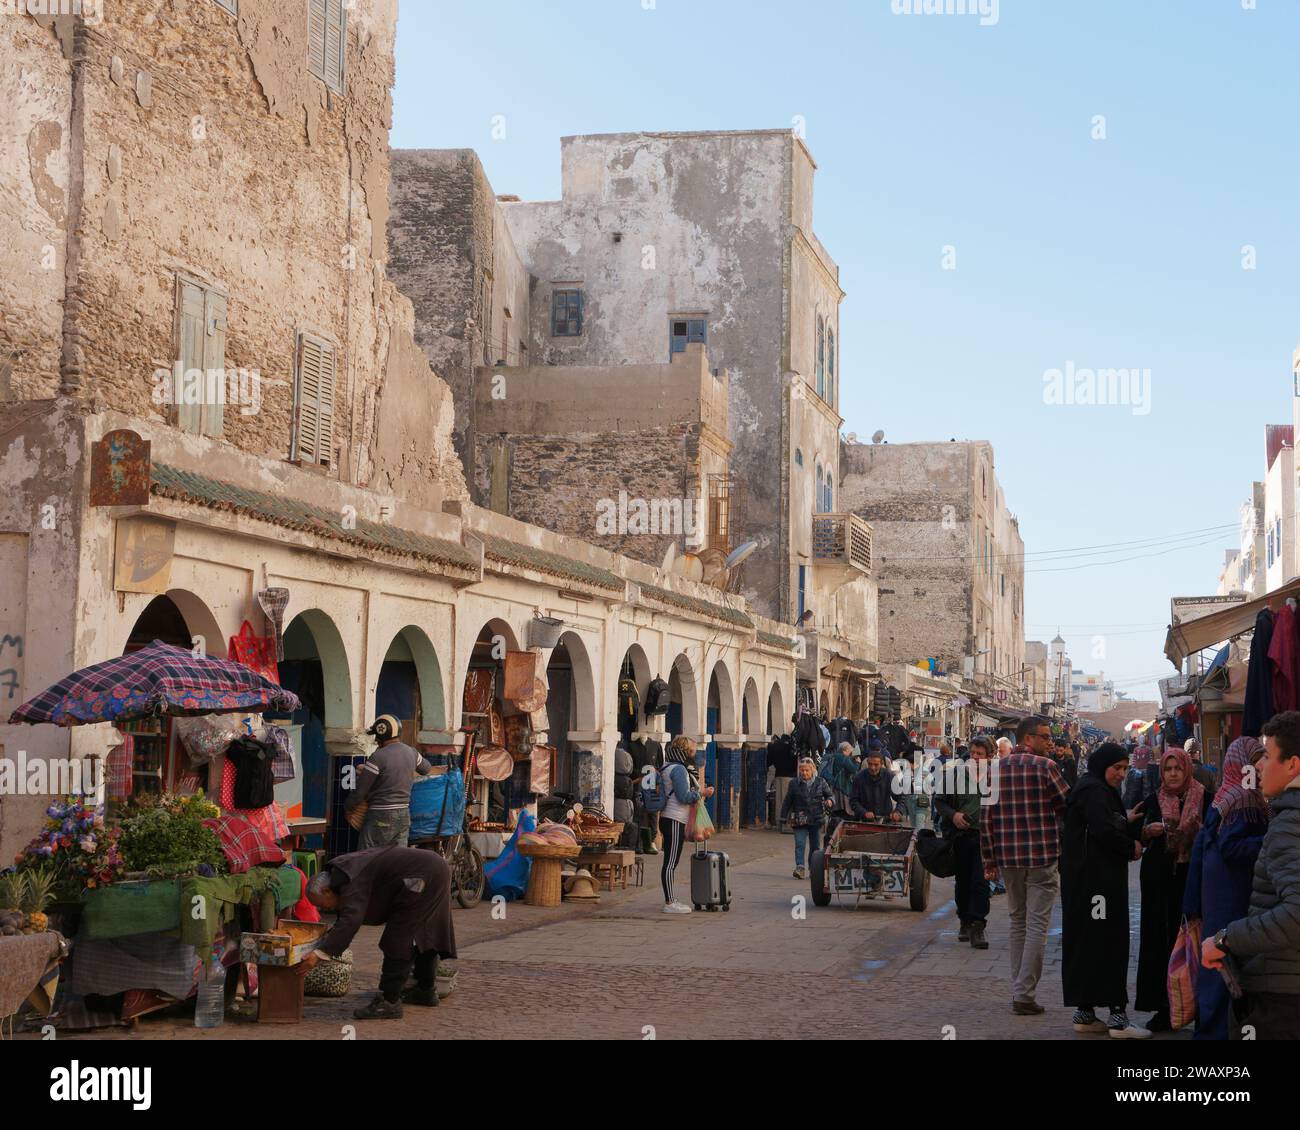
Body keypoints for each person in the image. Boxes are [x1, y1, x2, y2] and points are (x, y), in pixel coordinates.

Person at [1202, 711, 1300, 1040]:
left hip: (1282, 997)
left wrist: (1226, 939)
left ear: (1292, 766)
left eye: (1268, 756)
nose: (1259, 766)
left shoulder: (1289, 823)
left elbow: (1296, 913)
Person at [300, 844, 457, 1019]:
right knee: (425, 932)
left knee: (398, 938)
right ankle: (425, 990)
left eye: (321, 904)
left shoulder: (349, 879)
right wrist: (326, 944)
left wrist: (321, 952)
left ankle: (389, 1002)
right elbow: (345, 920)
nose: (323, 909)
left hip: (423, 874)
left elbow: (351, 920)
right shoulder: (342, 874)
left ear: (327, 890)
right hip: (431, 868)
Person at [980, 716, 1070, 1016]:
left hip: (1008, 858)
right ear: (1028, 738)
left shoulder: (994, 771)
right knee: (1036, 926)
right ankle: (1024, 994)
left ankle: (1019, 989)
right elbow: (1067, 806)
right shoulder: (1047, 768)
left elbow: (986, 820)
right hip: (1042, 857)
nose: (1049, 742)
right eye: (1045, 737)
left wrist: (989, 861)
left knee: (1018, 922)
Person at [1061, 743, 1150, 1038]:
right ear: (1103, 766)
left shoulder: (1091, 788)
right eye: (1117, 768)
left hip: (1087, 882)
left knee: (1091, 940)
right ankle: (1117, 1019)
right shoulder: (1095, 791)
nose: (1122, 774)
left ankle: (1085, 1013)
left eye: (1125, 768)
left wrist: (1124, 819)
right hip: (1097, 885)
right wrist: (1131, 846)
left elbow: (1100, 824)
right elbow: (1103, 830)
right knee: (1107, 939)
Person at [1183, 736, 1269, 1040]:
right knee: (1225, 958)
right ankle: (1217, 1031)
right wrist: (1270, 842)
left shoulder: (1227, 794)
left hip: (1218, 891)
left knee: (1218, 957)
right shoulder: (1244, 798)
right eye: (1258, 760)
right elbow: (1232, 848)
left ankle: (1212, 1028)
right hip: (1230, 892)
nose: (1262, 766)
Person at [1135, 746, 1208, 1031]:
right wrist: (1146, 831)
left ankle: (1199, 1007)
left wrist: (1199, 830)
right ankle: (1164, 1008)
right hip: (1158, 881)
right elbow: (1134, 831)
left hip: (1193, 878)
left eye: (1178, 768)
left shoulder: (1205, 797)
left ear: (1187, 768)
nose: (1174, 773)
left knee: (1196, 941)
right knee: (1159, 941)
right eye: (1168, 769)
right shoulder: (1153, 800)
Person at [934, 736, 993, 948]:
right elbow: (939, 801)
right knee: (964, 882)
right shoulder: (955, 774)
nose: (975, 757)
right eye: (973, 753)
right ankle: (964, 921)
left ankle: (978, 925)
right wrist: (954, 815)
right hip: (960, 838)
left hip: (985, 838)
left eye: (980, 754)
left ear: (989, 757)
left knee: (981, 882)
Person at [346, 714, 434, 848]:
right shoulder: (412, 752)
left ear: (381, 736)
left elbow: (360, 792)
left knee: (365, 859)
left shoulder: (378, 757)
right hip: (403, 815)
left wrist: (348, 808)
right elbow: (426, 769)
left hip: (379, 816)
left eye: (376, 736)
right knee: (396, 861)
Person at [658, 736, 714, 914]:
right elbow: (684, 797)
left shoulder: (667, 766)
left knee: (670, 861)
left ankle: (670, 899)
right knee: (670, 862)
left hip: (668, 818)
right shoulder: (679, 770)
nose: (694, 755)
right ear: (685, 752)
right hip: (674, 819)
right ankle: (670, 902)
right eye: (692, 751)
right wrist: (702, 793)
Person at [781, 757, 834, 878]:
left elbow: (830, 795)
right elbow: (787, 801)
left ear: (812, 770)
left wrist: (830, 801)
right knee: (800, 843)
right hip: (799, 819)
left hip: (816, 818)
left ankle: (813, 868)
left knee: (815, 846)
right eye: (802, 770)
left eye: (807, 770)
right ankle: (800, 867)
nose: (804, 773)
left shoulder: (821, 782)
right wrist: (783, 817)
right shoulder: (794, 783)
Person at [850, 750, 905, 823]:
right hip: (864, 821)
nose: (872, 768)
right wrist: (864, 812)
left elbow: (901, 797)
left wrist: (898, 811)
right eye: (870, 764)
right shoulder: (859, 778)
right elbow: (853, 800)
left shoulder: (889, 776)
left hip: (886, 820)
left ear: (881, 764)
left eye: (876, 764)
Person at [1121, 745, 1158, 810]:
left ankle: (1146, 803)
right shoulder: (1136, 749)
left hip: (1145, 770)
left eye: (1143, 738)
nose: (1142, 740)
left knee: (1146, 787)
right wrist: (1133, 767)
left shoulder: (1148, 749)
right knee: (1138, 787)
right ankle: (1140, 803)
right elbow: (1134, 759)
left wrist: (1149, 766)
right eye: (1141, 738)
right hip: (1138, 770)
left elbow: (1151, 759)